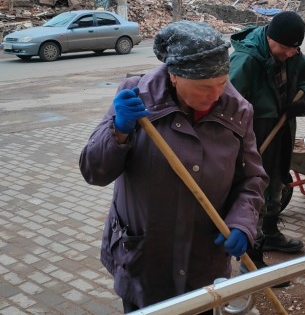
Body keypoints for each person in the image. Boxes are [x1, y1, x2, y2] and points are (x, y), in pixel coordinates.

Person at [79, 21, 268, 311]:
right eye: (205, 87)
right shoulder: (136, 96)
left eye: (222, 83)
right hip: (145, 259)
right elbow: (94, 172)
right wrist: (118, 131)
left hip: (202, 261)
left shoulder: (237, 110)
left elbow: (252, 179)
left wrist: (243, 222)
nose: (216, 95)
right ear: (175, 76)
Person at [229, 11, 305, 268]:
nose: (292, 53)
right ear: (271, 39)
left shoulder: (291, 52)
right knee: (255, 188)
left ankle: (270, 233)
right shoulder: (246, 60)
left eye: (295, 48)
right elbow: (229, 105)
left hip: (282, 127)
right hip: (256, 133)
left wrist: (300, 101)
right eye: (287, 48)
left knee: (277, 180)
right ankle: (252, 258)